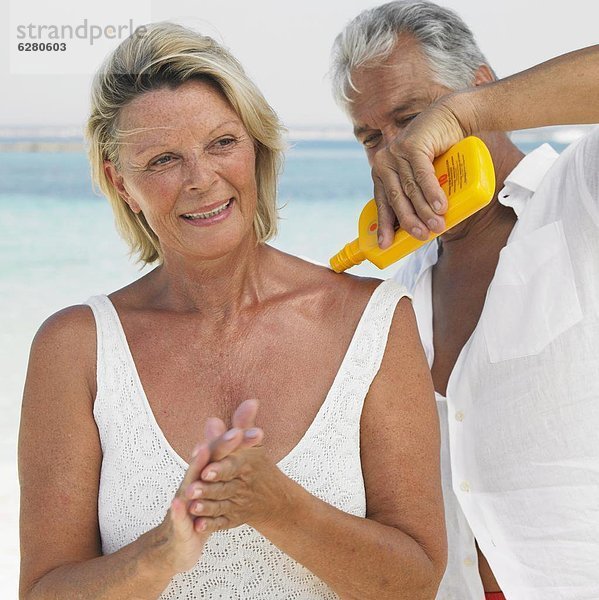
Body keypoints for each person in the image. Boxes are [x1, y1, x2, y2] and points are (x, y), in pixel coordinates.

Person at [18, 21, 447, 600]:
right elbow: (43, 591)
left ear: (256, 147)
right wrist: (160, 554)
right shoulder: (76, 347)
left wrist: (281, 508)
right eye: (164, 159)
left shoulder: (373, 321)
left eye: (222, 143)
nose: (201, 180)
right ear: (122, 184)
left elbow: (416, 583)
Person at [330, 2, 599, 599]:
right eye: (372, 137)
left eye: (413, 115)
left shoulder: (581, 193)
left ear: (481, 84)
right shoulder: (395, 294)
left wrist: (463, 116)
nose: (394, 151)